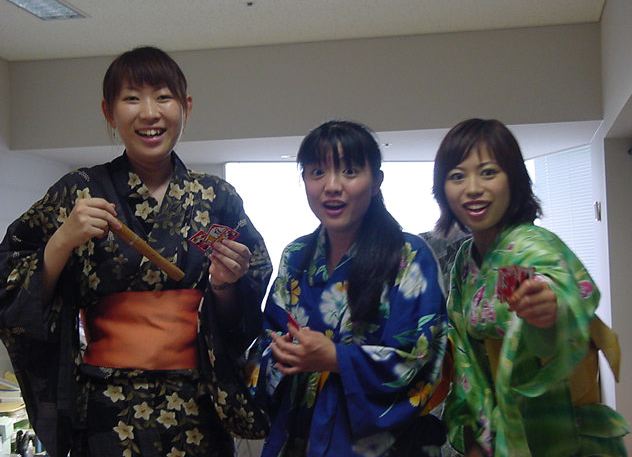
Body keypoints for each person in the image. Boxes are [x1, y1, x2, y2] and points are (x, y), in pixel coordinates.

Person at [0, 46, 272, 457]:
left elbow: (247, 313)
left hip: (197, 403)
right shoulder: (77, 191)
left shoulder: (217, 197)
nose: (149, 113)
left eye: (163, 97)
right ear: (109, 112)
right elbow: (9, 285)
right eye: (131, 98)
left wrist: (226, 286)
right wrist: (61, 240)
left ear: (186, 107)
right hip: (106, 407)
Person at [433, 118, 629, 456]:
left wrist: (550, 309)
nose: (473, 188)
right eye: (457, 176)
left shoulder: (534, 245)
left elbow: (561, 291)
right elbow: (464, 348)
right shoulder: (465, 258)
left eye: (488, 172)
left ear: (514, 179)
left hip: (559, 431)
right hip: (501, 435)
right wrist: (475, 431)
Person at [255, 120, 448, 456]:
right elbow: (268, 338)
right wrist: (283, 353)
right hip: (300, 435)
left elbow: (422, 356)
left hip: (379, 445)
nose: (332, 186)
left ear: (376, 182)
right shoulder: (296, 256)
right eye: (317, 172)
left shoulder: (408, 255)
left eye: (349, 171)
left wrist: (336, 359)